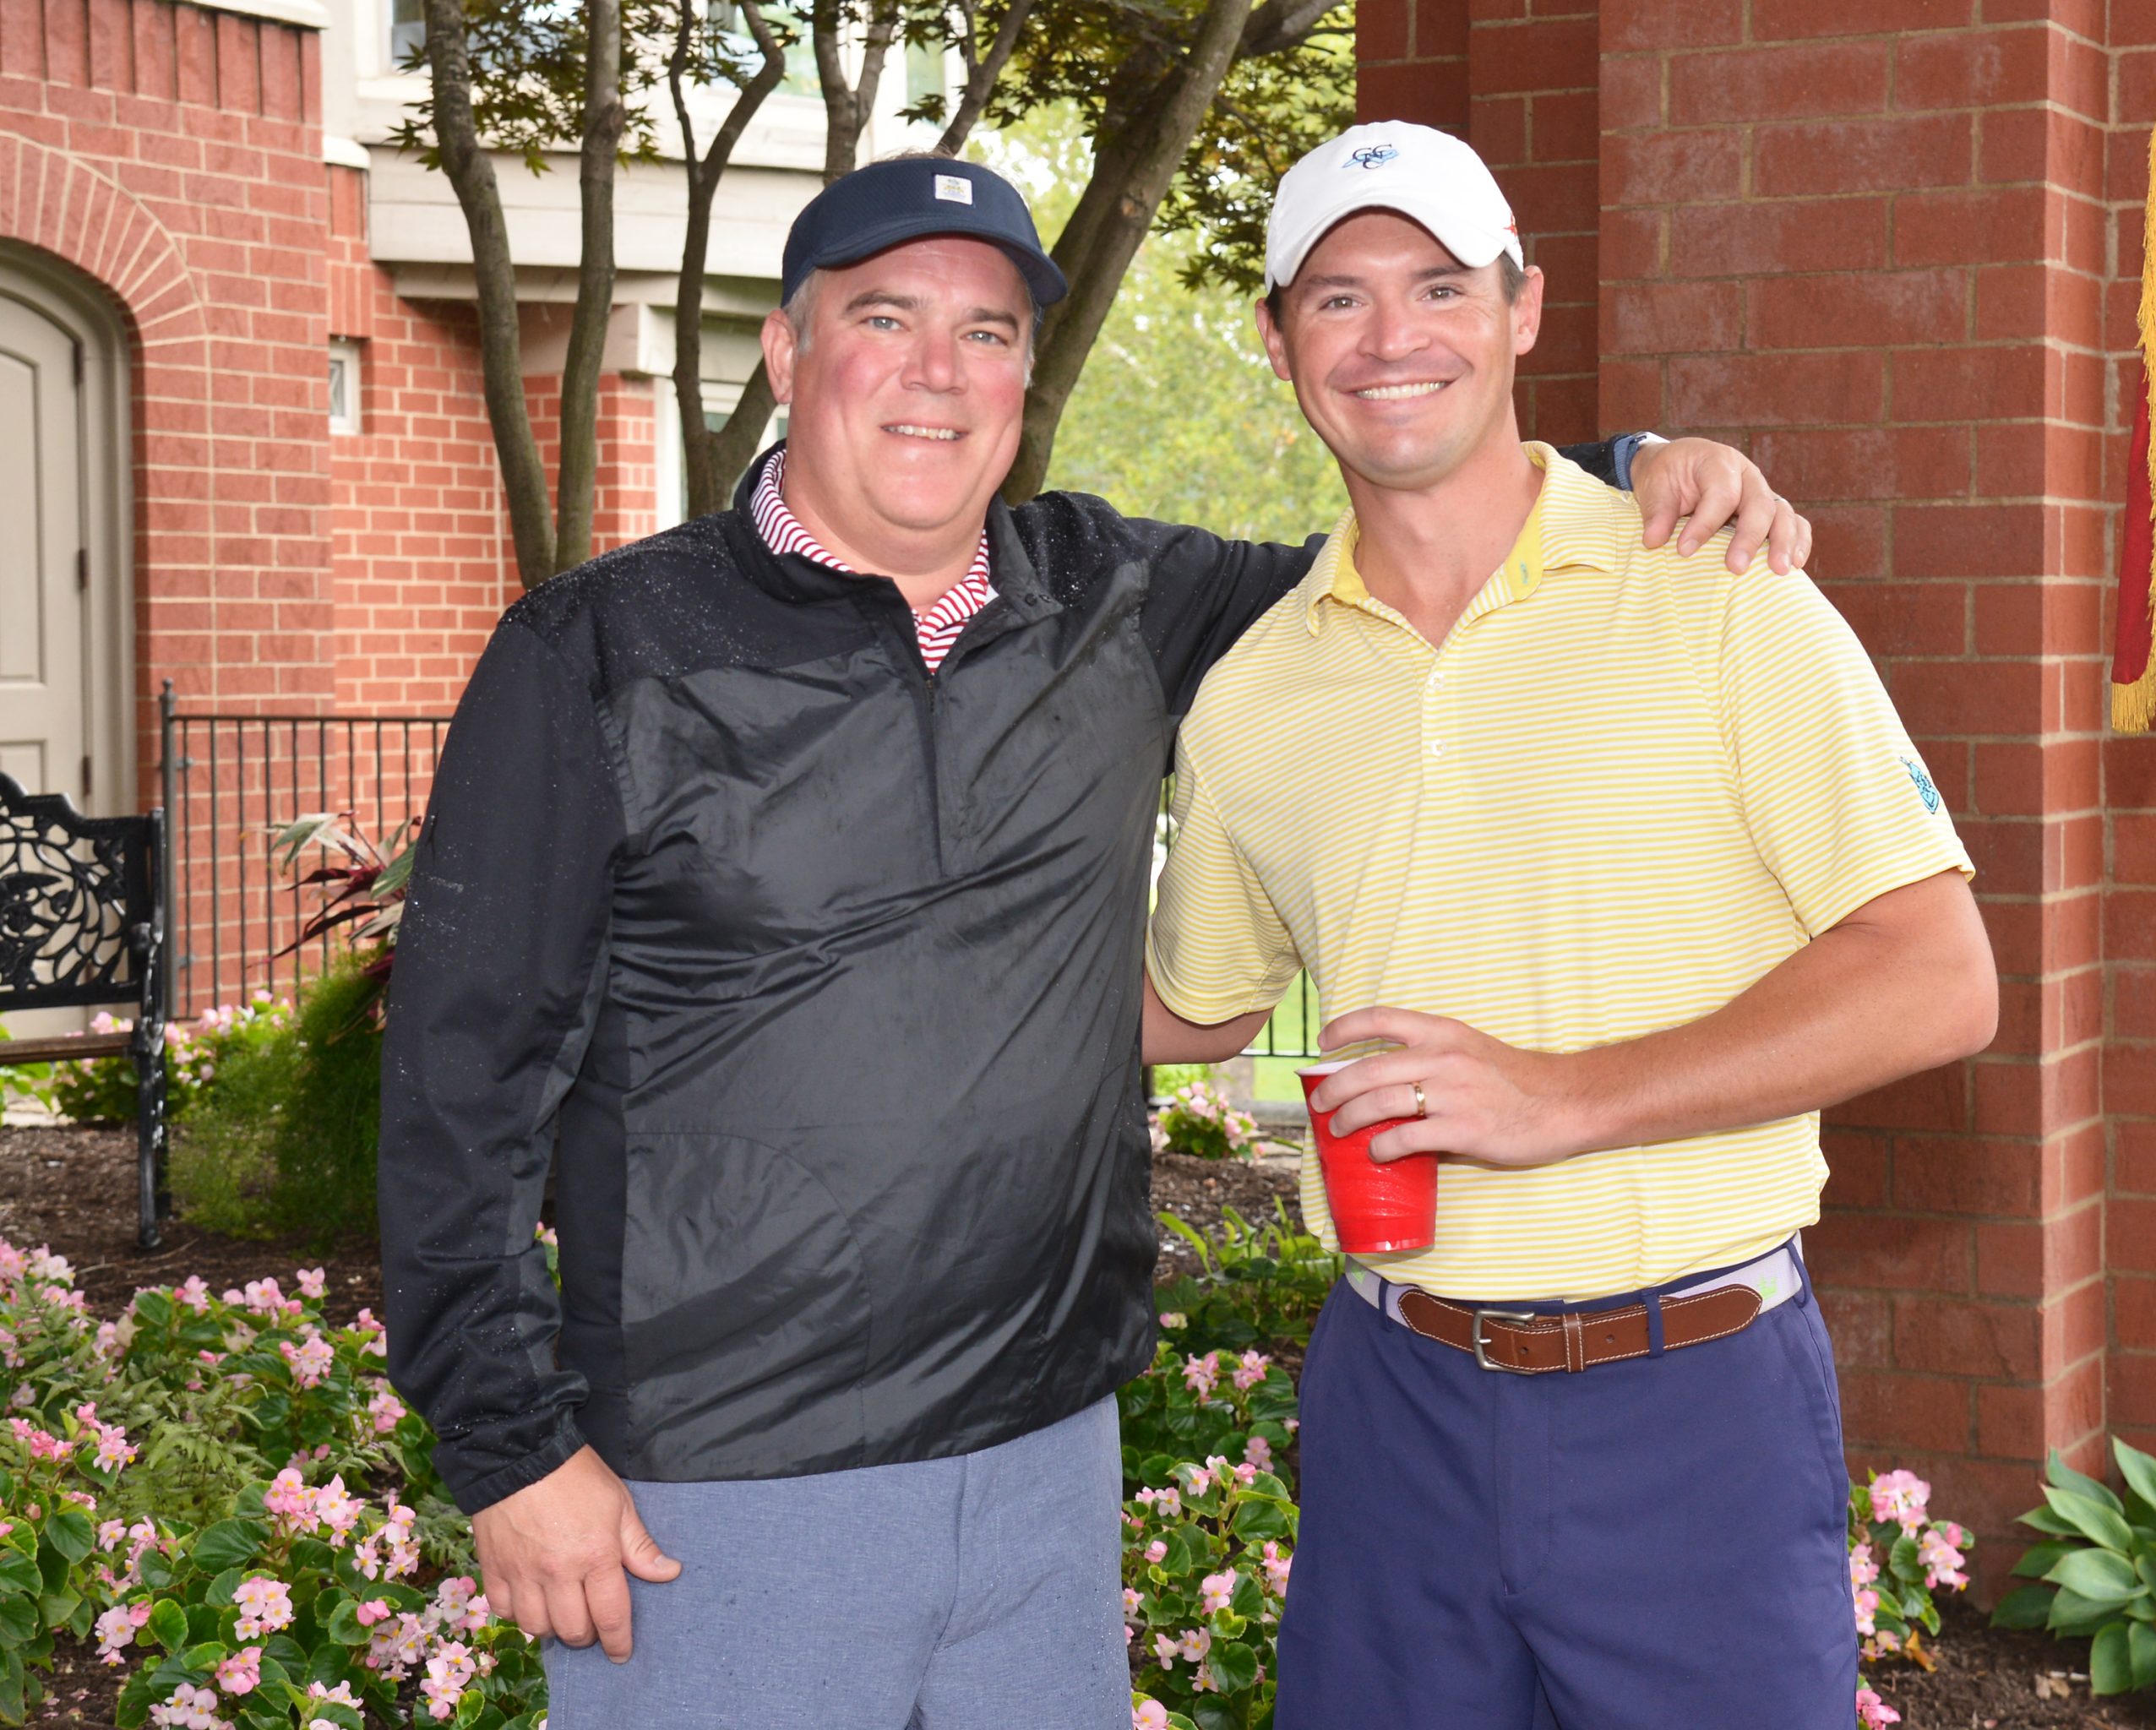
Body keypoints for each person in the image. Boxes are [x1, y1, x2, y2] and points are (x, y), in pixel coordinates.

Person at [377, 150, 1806, 1730]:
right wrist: (510, 1450)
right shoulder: (600, 649)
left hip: (1044, 1470)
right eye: (885, 318)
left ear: (1023, 378)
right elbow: (458, 1085)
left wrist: (1636, 465)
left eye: (986, 331)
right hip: (720, 1488)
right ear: (787, 350)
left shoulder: (1111, 596)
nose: (939, 370)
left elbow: (1414, 544)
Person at [1141, 121, 1999, 1730]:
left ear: (1522, 309)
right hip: (1393, 1406)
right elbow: (1196, 1006)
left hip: (1693, 1407)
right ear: (1276, 338)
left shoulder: (1721, 589)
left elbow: (1939, 979)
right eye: (1337, 297)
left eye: (1440, 286)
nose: (1390, 338)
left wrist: (1564, 1096)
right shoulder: (1251, 695)